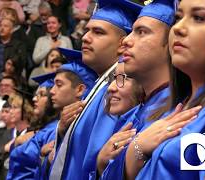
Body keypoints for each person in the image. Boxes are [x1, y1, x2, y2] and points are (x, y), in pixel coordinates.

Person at [106, 0, 205, 179]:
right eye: (178, 18)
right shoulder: (171, 109)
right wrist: (136, 151)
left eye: (198, 18)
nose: (178, 28)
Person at [49, 1, 141, 179]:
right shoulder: (99, 88)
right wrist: (62, 132)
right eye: (87, 30)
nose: (85, 37)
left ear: (124, 44)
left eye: (98, 32)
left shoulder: (119, 90)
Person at [6, 48, 97, 180]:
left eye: (58, 85)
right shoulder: (56, 128)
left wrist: (43, 158)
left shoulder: (82, 129)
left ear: (80, 89)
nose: (52, 92)